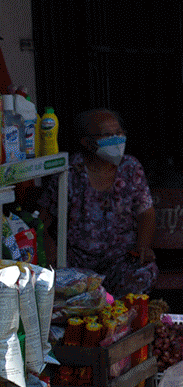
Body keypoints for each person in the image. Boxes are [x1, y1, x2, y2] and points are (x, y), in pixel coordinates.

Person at [39, 108, 157, 298]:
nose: (117, 139)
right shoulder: (68, 172)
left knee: (144, 274)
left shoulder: (130, 167)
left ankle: (119, 322)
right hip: (78, 261)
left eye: (119, 133)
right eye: (108, 135)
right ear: (87, 142)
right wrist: (49, 245)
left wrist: (143, 246)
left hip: (121, 259)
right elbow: (42, 221)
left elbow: (146, 212)